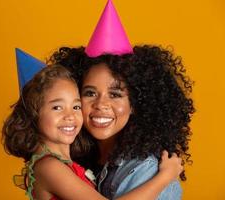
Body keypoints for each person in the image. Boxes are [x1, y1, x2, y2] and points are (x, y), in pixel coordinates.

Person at [2, 64, 184, 200]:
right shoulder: (50, 167)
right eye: (57, 107)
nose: (70, 115)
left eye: (76, 106)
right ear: (34, 115)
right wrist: (164, 177)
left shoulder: (68, 164)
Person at [50, 44, 195, 200]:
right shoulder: (75, 159)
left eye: (115, 94)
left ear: (134, 104)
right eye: (90, 93)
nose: (100, 104)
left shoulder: (146, 170)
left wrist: (163, 178)